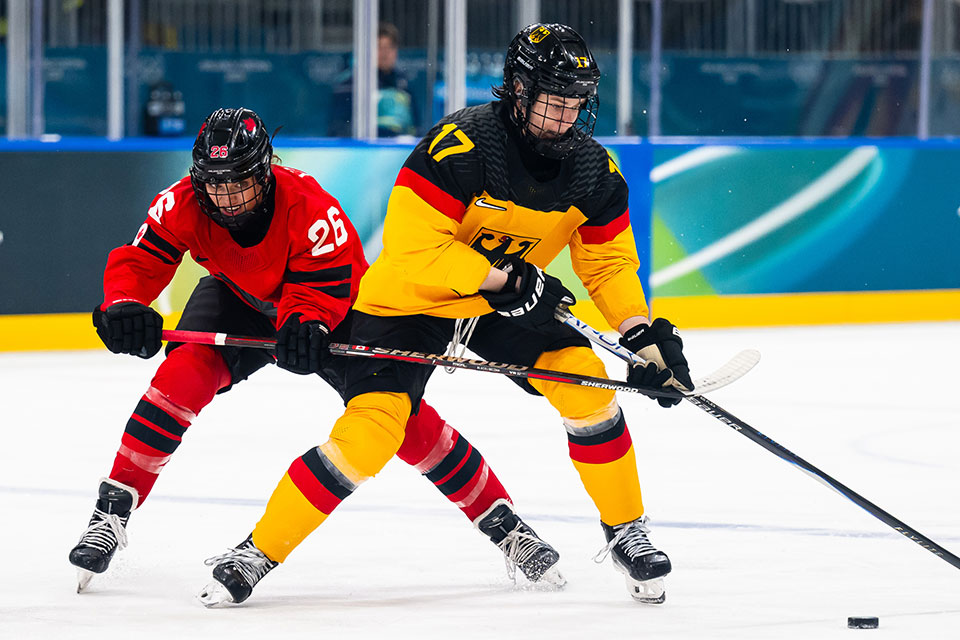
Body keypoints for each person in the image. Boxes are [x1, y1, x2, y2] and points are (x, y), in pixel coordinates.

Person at [202, 24, 694, 606]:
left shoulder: (595, 172)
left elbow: (608, 264)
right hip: (411, 300)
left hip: (505, 301)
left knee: (588, 389)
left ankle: (626, 530)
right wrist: (505, 280)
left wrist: (640, 335)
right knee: (369, 435)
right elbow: (415, 248)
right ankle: (258, 550)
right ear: (516, 89)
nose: (563, 116)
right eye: (551, 100)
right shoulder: (460, 145)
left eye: (574, 102)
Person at [68, 107, 563, 595]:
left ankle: (505, 525)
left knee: (399, 421)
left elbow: (327, 284)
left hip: (339, 306)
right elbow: (143, 257)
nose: (227, 196)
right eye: (214, 182)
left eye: (238, 180)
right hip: (237, 296)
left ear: (265, 170)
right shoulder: (181, 202)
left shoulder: (310, 206)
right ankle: (111, 511)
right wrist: (125, 303)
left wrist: (306, 323)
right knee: (179, 379)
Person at [329, 22, 417, 137]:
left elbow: (416, 127)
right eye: (379, 47)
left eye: (389, 47)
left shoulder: (404, 85)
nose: (385, 53)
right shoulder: (351, 85)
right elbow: (338, 128)